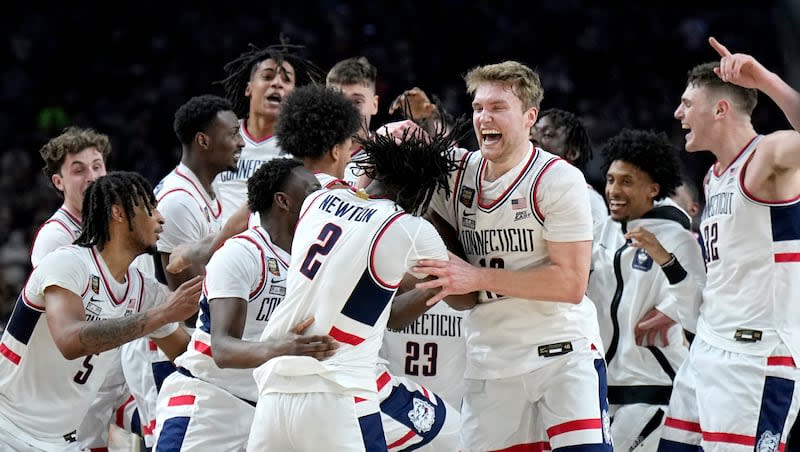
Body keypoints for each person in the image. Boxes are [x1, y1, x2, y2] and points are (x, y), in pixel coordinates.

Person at [414, 61, 611, 451]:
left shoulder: (558, 178)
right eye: (478, 107)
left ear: (529, 118)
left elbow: (571, 284)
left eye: (498, 108)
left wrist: (477, 277)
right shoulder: (456, 171)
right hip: (492, 359)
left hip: (561, 354)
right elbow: (390, 176)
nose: (484, 117)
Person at [246, 124, 474, 452]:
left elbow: (389, 314)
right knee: (459, 438)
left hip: (274, 393)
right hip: (341, 396)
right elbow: (464, 298)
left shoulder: (320, 195)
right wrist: (436, 280)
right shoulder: (409, 229)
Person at [660, 37, 800, 451]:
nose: (678, 113)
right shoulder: (713, 176)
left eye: (687, 103)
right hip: (707, 347)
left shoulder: (769, 155)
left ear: (720, 109)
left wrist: (765, 80)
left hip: (754, 359)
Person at [0, 172, 202, 450]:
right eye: (150, 208)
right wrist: (162, 315)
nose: (161, 218)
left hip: (60, 440)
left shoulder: (145, 291)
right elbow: (70, 341)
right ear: (119, 213)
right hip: (7, 426)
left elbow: (188, 358)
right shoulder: (68, 262)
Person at [154, 158, 338, 450]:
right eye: (313, 190)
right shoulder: (242, 253)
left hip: (264, 410)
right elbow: (223, 349)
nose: (322, 198)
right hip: (209, 403)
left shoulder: (310, 260)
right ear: (283, 200)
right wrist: (287, 347)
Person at [587, 129, 705, 451]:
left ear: (654, 189)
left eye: (627, 181)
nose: (614, 190)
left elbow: (697, 316)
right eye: (610, 179)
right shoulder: (603, 234)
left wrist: (666, 261)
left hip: (655, 390)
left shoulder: (678, 239)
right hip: (604, 391)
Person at [213, 42, 323, 222]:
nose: (277, 84)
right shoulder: (221, 136)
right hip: (212, 240)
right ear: (249, 88)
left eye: (286, 80)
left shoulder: (302, 148)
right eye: (268, 76)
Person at [32, 127, 110, 266]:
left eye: (97, 167)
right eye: (79, 170)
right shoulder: (54, 238)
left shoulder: (122, 224)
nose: (92, 177)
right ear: (59, 182)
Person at [530, 108, 608, 231]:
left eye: (548, 134)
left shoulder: (588, 200)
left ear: (572, 153)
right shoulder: (513, 192)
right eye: (531, 132)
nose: (532, 138)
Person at [325, 56, 379, 187]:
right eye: (338, 100)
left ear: (374, 105)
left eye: (357, 102)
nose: (347, 110)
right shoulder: (309, 155)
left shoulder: (384, 160)